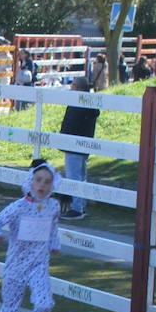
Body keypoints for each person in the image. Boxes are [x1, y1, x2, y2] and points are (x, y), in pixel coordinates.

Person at [0, 160, 61, 312]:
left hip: (39, 264)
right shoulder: (18, 207)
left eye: (47, 182)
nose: (42, 185)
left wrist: (55, 244)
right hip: (16, 266)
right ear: (30, 182)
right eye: (38, 180)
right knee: (10, 310)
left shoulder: (53, 206)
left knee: (45, 303)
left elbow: (53, 228)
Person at [59, 77, 99, 219]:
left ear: (78, 88)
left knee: (74, 177)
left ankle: (77, 208)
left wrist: (63, 138)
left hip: (74, 145)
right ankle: (81, 205)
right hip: (82, 145)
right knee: (81, 176)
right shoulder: (89, 104)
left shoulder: (78, 104)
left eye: (73, 85)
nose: (71, 88)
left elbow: (71, 124)